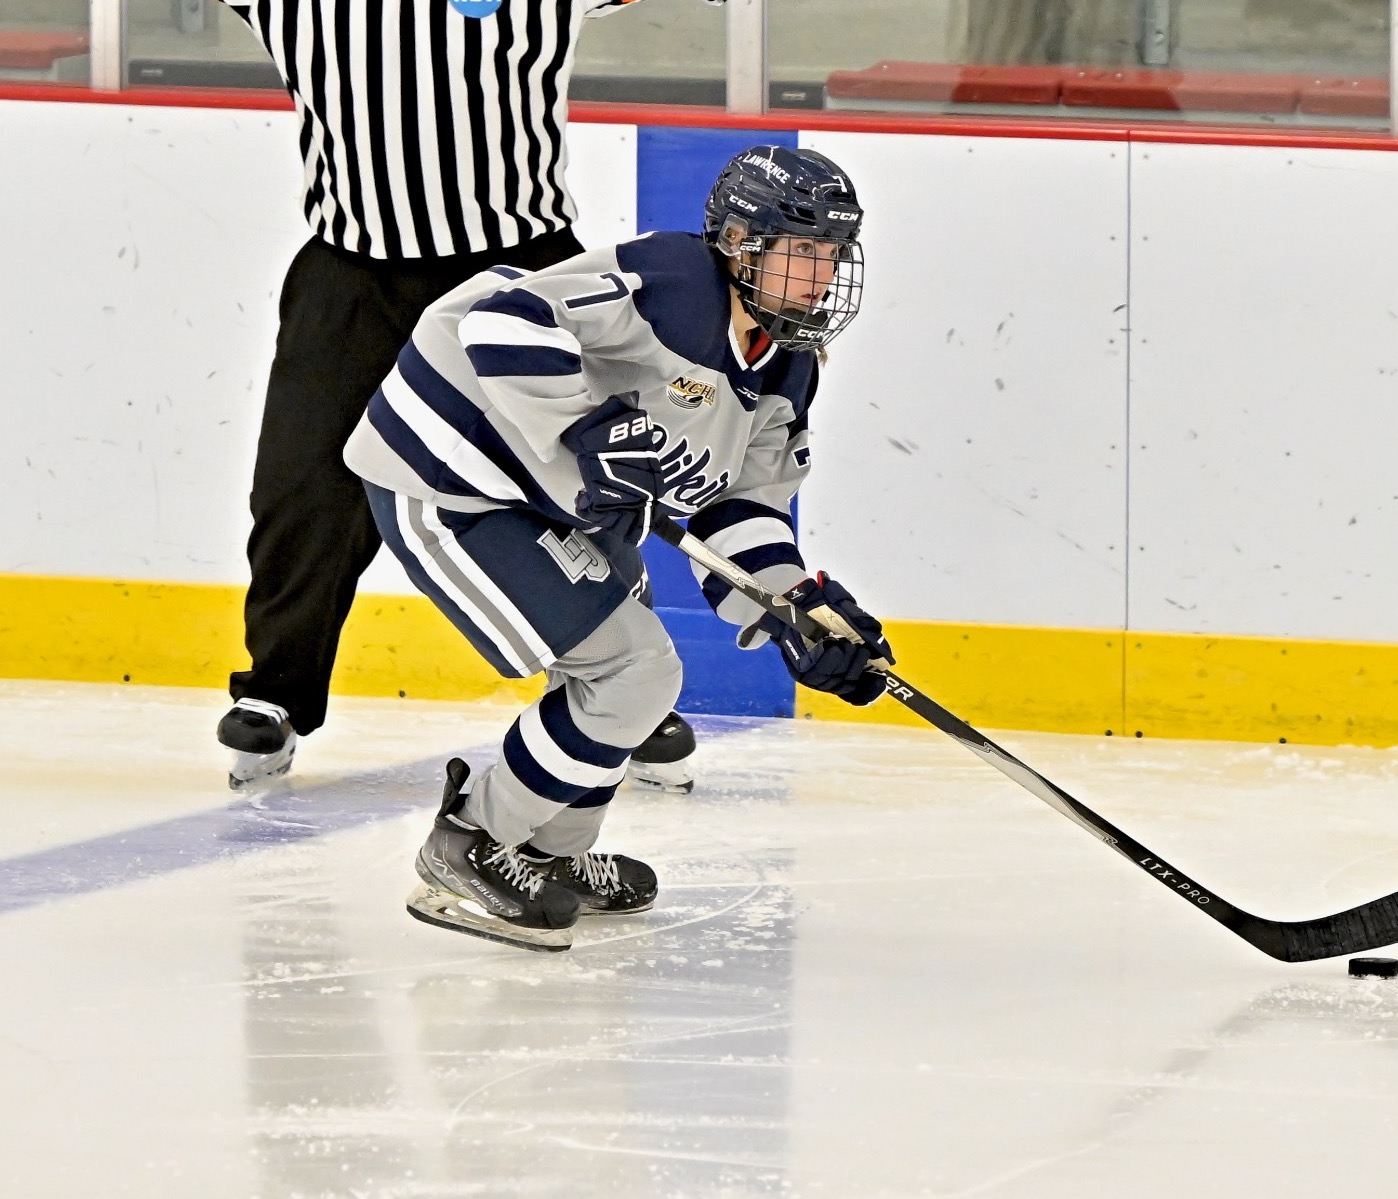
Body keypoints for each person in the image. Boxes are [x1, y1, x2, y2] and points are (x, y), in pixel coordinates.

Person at [341, 145, 890, 950]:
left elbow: (735, 510)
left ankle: (544, 854)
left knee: (635, 670)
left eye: (833, 254)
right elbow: (503, 316)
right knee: (631, 669)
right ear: (740, 242)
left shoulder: (786, 369)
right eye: (802, 250)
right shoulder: (672, 282)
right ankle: (468, 839)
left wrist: (796, 612)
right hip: (452, 474)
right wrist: (583, 426)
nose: (821, 275)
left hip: (560, 506)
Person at [210, 0, 697, 793]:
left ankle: (625, 689)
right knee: (303, 488)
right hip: (355, 274)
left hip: (516, 275)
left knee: (583, 476)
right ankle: (277, 691)